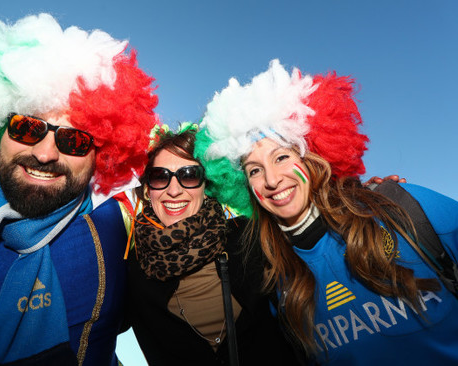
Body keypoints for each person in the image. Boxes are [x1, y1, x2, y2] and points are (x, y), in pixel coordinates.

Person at [0, 14, 158, 366]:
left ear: (101, 155)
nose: (44, 154)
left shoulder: (124, 229)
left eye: (74, 140)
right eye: (27, 128)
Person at [194, 59, 458, 365]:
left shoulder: (406, 209)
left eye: (281, 156)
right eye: (254, 170)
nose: (271, 179)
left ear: (312, 159)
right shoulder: (275, 278)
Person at [125, 123, 299, 365]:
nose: (173, 190)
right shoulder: (130, 271)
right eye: (159, 177)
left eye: (189, 175)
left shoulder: (252, 236)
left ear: (206, 185)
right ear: (148, 188)